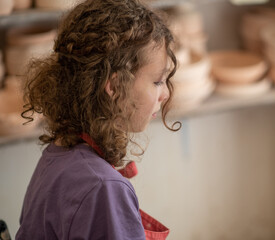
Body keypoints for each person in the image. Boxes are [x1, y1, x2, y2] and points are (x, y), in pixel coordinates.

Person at [16, 0, 180, 239]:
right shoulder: (103, 187)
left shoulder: (57, 154)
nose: (164, 94)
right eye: (157, 81)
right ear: (114, 86)